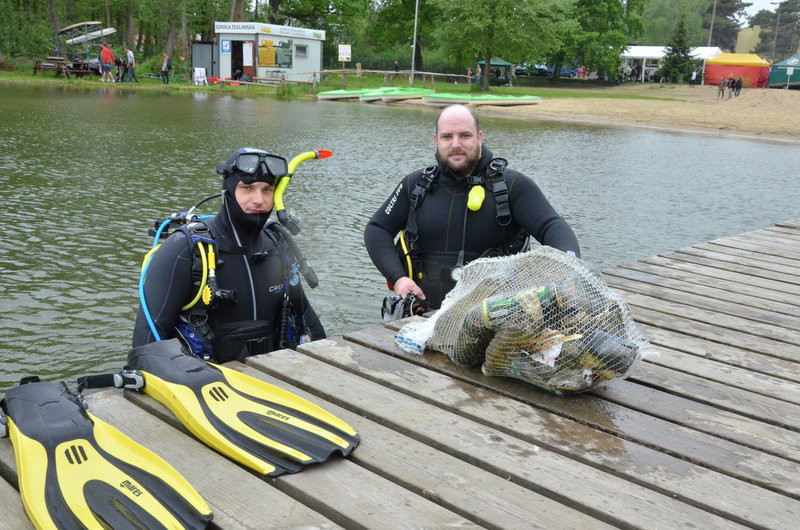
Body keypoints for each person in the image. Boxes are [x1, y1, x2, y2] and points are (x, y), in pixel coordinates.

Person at [364, 104, 580, 311]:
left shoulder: (512, 186)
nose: (455, 144)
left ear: (479, 137)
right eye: (447, 136)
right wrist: (398, 278)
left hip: (493, 321)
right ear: (436, 141)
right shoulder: (416, 185)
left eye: (465, 135)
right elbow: (377, 229)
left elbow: (553, 228)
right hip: (421, 317)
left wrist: (566, 273)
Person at [132, 148, 325, 362]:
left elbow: (305, 317)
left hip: (275, 376)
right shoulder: (185, 249)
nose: (258, 200)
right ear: (228, 191)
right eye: (247, 188)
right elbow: (147, 341)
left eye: (267, 189)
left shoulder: (278, 244)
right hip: (208, 383)